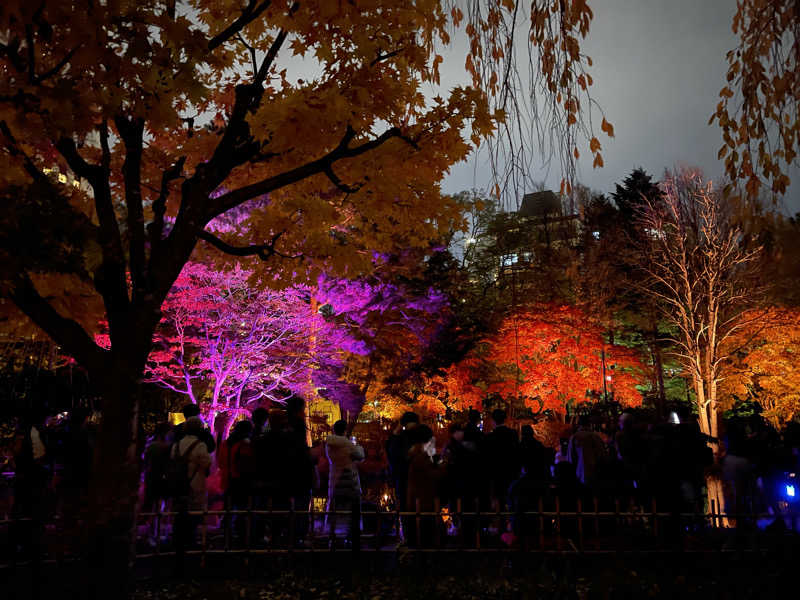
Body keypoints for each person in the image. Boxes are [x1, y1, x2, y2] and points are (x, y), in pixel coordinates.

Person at [171, 416, 212, 550]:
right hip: (195, 483)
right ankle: (190, 540)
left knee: (179, 513)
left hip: (178, 484)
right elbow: (206, 463)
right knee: (193, 513)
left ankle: (177, 539)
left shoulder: (176, 445)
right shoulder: (200, 445)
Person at [325, 419, 365, 545]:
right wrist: (358, 445)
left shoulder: (329, 445)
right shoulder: (348, 444)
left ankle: (333, 535)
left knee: (335, 509)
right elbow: (360, 455)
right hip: (349, 480)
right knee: (353, 510)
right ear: (345, 430)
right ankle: (352, 535)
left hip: (335, 479)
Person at [406, 424, 444, 547]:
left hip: (416, 500)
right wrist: (444, 465)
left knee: (421, 535)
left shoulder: (413, 454)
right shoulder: (421, 457)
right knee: (427, 536)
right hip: (424, 502)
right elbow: (433, 476)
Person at [218, 419, 255, 542]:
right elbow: (247, 464)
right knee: (242, 509)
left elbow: (220, 462)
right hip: (240, 480)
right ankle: (241, 535)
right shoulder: (244, 444)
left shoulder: (225, 444)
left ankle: (226, 533)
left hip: (226, 479)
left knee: (228, 508)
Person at [483, 408, 520, 509]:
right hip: (511, 472)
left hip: (496, 474)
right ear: (505, 419)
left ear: (493, 421)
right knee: (512, 502)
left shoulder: (489, 438)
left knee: (498, 505)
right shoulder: (513, 434)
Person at [386, 411, 419, 520]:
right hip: (407, 477)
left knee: (407, 509)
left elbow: (392, 454)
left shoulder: (400, 438)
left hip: (405, 477)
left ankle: (407, 532)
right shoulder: (402, 438)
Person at [567, 415, 606, 488]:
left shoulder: (574, 437)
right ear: (589, 424)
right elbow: (601, 454)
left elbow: (570, 457)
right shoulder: (595, 436)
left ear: (578, 424)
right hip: (594, 471)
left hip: (579, 472)